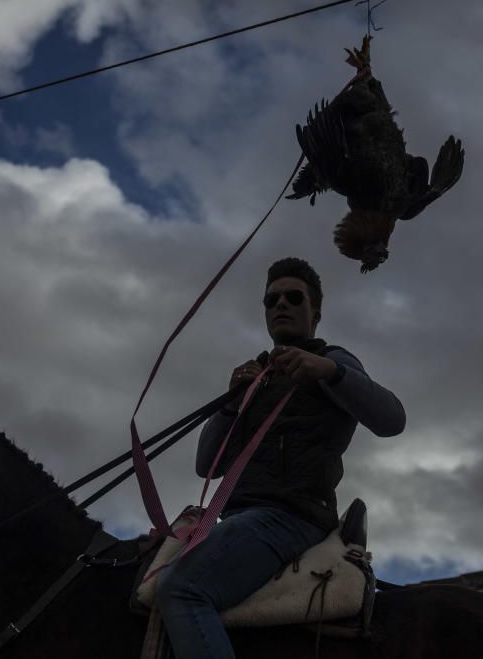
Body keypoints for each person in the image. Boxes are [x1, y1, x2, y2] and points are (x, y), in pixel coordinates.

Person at [155, 257, 406, 658]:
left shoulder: (333, 359)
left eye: (293, 297)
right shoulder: (257, 374)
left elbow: (392, 419)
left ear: (315, 314)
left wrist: (327, 370)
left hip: (292, 517)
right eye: (271, 300)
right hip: (240, 518)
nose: (280, 305)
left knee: (181, 589)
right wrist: (231, 403)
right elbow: (207, 465)